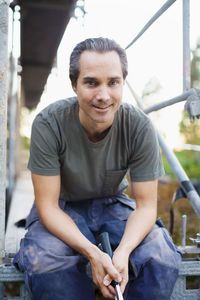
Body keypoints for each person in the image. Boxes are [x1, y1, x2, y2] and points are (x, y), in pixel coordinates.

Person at [13, 37, 181, 300]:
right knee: (46, 260)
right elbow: (47, 206)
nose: (103, 96)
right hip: (61, 207)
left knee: (159, 252)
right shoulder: (49, 123)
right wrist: (93, 253)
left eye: (113, 82)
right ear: (74, 85)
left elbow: (147, 206)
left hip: (113, 205)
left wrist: (123, 251)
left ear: (122, 83)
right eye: (91, 82)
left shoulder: (139, 127)